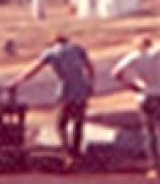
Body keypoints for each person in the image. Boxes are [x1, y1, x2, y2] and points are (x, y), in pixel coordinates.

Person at [8, 33, 95, 169]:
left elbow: (33, 69)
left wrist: (16, 81)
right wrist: (90, 84)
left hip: (66, 90)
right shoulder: (78, 48)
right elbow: (89, 67)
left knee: (60, 124)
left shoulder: (51, 53)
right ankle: (77, 153)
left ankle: (69, 154)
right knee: (79, 123)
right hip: (81, 88)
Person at [112, 13, 160, 178]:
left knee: (149, 132)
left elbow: (116, 72)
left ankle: (154, 166)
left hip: (145, 95)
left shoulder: (134, 57)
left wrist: (130, 86)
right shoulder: (158, 53)